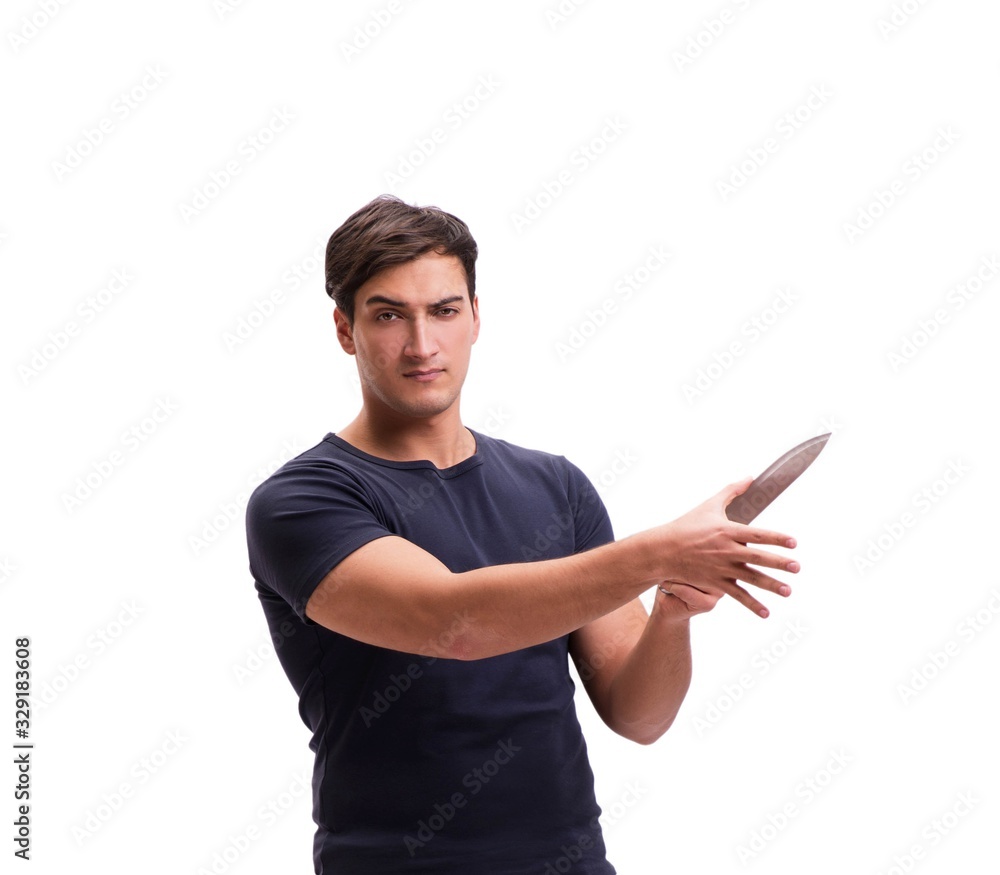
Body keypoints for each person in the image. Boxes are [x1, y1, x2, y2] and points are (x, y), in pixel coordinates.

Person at [244, 195, 800, 874]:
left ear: (476, 317)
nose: (422, 344)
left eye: (444, 311)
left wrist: (673, 608)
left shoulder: (555, 487)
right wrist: (660, 553)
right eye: (389, 315)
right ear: (344, 328)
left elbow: (640, 716)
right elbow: (452, 622)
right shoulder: (301, 501)